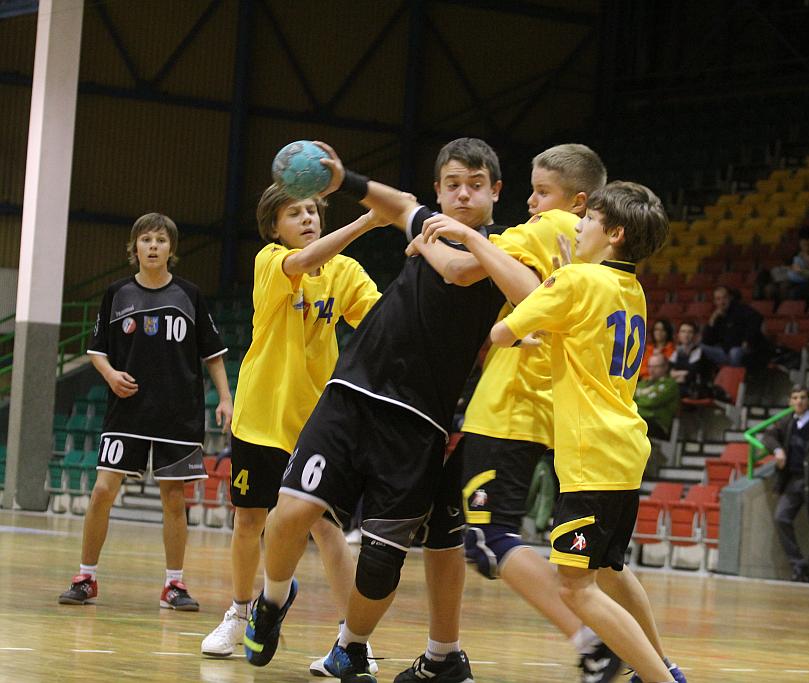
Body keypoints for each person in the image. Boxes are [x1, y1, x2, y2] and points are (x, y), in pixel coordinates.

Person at [242, 138, 550, 683]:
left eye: (475, 185)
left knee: (381, 561)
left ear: (496, 193)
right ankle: (271, 599)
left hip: (421, 421)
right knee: (290, 514)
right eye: (452, 184)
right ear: (439, 189)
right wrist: (344, 181)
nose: (462, 194)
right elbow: (400, 205)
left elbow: (462, 271)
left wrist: (441, 236)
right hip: (351, 392)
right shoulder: (429, 222)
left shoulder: (506, 246)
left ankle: (352, 646)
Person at [429, 143, 637, 682]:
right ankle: (441, 654)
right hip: (552, 411)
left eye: (541, 191)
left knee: (489, 536)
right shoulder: (605, 269)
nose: (531, 201)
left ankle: (593, 642)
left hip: (507, 407)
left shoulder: (546, 229)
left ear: (578, 201)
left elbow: (461, 268)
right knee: (597, 563)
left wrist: (417, 229)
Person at [491, 181, 686, 683]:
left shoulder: (574, 280)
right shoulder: (632, 289)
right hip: (624, 448)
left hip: (590, 454)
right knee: (613, 572)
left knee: (575, 588)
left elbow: (501, 333)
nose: (579, 225)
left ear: (615, 233)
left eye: (591, 219)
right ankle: (661, 666)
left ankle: (662, 679)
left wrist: (530, 319)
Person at [200, 184, 385, 669]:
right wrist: (369, 222)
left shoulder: (345, 272)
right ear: (274, 227)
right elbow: (303, 264)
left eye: (311, 211)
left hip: (317, 425)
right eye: (293, 213)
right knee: (249, 521)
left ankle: (353, 639)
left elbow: (382, 319)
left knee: (329, 529)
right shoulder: (271, 261)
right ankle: (241, 614)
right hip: (261, 419)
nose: (306, 219)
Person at [58, 213, 233, 610]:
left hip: (178, 414)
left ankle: (174, 585)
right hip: (127, 412)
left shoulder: (189, 295)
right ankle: (86, 577)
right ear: (134, 248)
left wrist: (225, 398)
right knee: (103, 491)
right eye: (146, 240)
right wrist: (110, 375)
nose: (153, 246)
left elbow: (214, 355)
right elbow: (97, 350)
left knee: (174, 498)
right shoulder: (116, 293)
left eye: (161, 240)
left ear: (172, 250)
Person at [762, 385, 809, 583]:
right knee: (781, 517)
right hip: (794, 481)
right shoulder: (787, 422)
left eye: (803, 397)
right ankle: (798, 564)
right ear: (790, 402)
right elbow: (768, 437)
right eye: (795, 398)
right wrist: (777, 450)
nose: (799, 401)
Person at [700, 286, 764, 368]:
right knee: (700, 348)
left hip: (742, 350)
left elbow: (757, 319)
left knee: (735, 352)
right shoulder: (717, 317)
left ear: (730, 298)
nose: (722, 302)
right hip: (724, 352)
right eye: (718, 299)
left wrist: (747, 340)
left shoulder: (741, 309)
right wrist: (712, 320)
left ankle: (734, 379)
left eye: (724, 298)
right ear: (715, 302)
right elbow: (706, 341)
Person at [767, 226, 809, 301]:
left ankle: (786, 306)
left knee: (785, 286)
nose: (805, 243)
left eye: (808, 241)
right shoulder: (797, 254)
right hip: (793, 278)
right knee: (771, 288)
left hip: (808, 281)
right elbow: (789, 266)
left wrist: (798, 269)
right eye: (803, 241)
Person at [634, 354, 679, 441]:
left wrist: (637, 401)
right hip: (640, 419)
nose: (652, 370)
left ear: (665, 367)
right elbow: (631, 398)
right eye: (650, 366)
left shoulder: (670, 384)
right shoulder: (643, 383)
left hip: (657, 424)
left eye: (656, 366)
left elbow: (651, 402)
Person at [668, 320, 714, 399]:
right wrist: (682, 373)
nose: (686, 335)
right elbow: (668, 371)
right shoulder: (677, 351)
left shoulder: (699, 351)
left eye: (690, 332)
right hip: (678, 385)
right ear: (678, 335)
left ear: (695, 335)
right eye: (683, 331)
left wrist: (676, 374)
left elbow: (692, 373)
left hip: (694, 389)